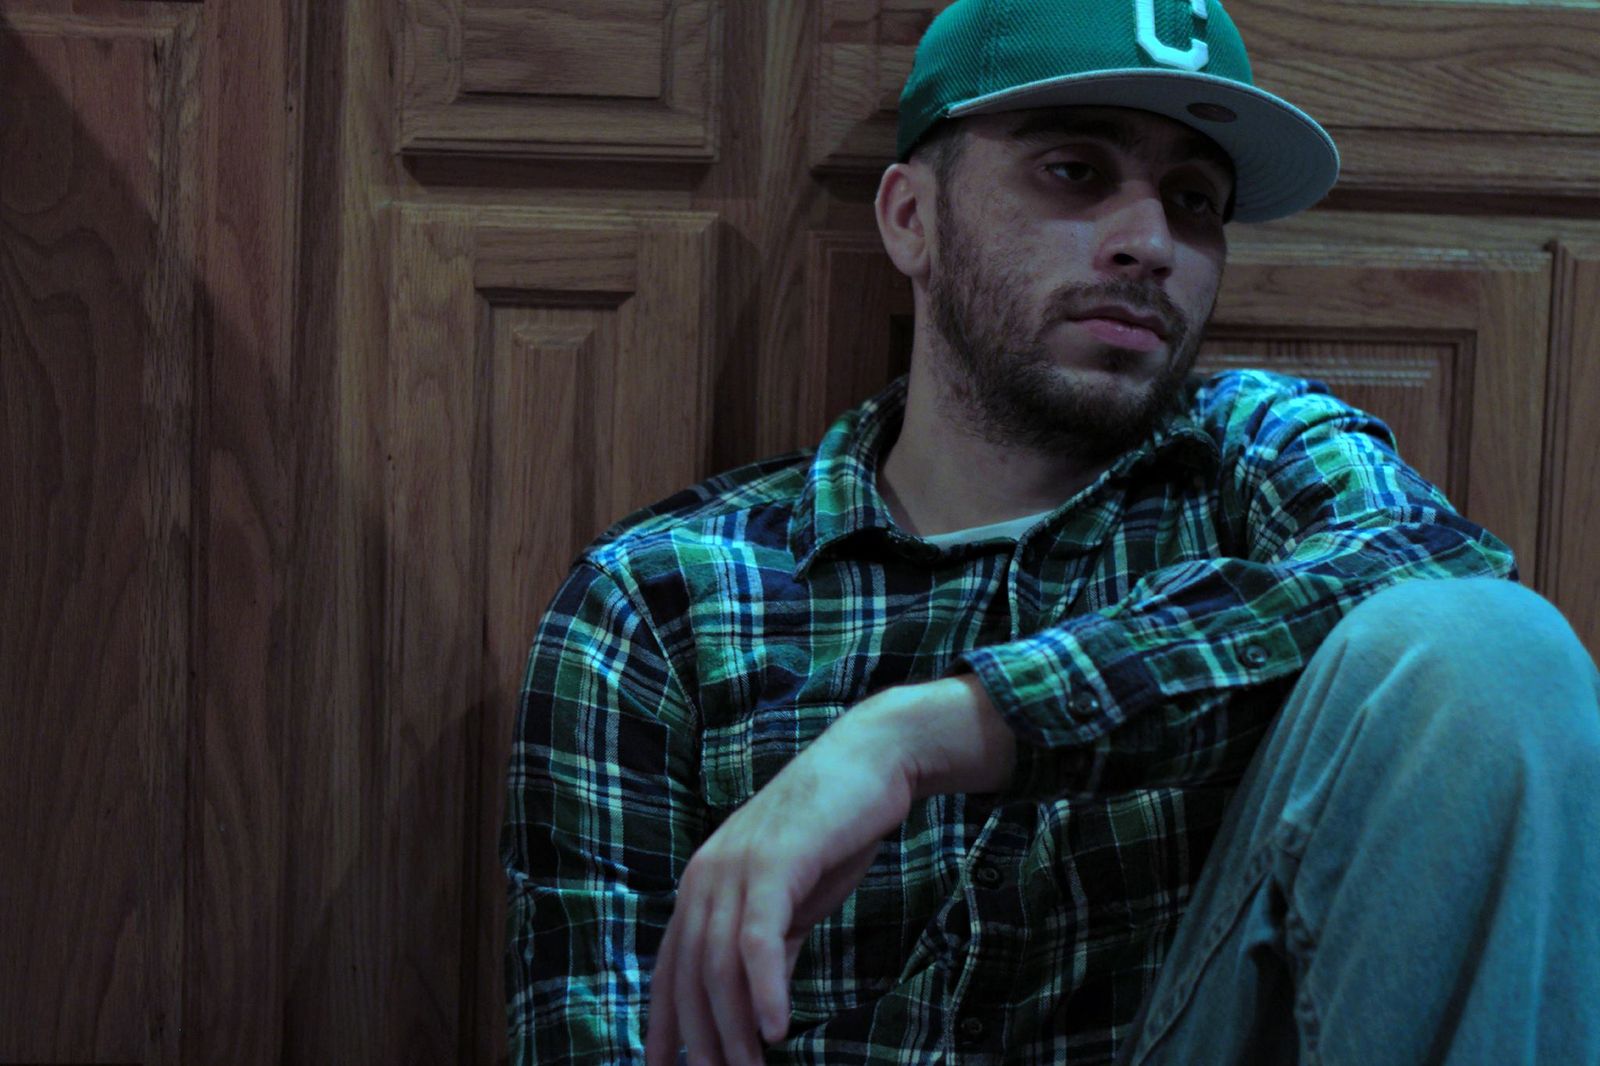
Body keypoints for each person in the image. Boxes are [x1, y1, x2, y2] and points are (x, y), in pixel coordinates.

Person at [501, 0, 1600, 1062]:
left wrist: (921, 735)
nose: (1151, 243)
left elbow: (1436, 565)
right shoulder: (662, 602)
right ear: (911, 218)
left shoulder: (1253, 458)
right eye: (1074, 170)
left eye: (1194, 200)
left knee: (1490, 646)